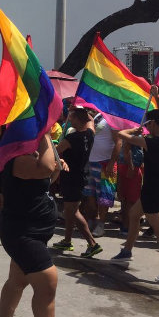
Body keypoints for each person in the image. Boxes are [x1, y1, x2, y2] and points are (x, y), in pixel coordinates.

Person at [0, 133, 66, 317]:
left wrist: (56, 167)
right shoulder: (16, 159)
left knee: (17, 280)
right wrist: (45, 134)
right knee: (47, 282)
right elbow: (44, 169)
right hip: (22, 232)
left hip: (36, 230)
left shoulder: (29, 157)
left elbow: (45, 179)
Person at [112, 86, 159, 285]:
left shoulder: (150, 142)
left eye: (147, 124)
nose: (146, 127)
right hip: (158, 189)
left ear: (152, 123)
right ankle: (126, 251)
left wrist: (133, 130)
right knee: (134, 216)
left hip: (152, 192)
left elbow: (120, 134)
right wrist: (156, 96)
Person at [53, 107, 102, 258]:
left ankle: (92, 244)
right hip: (81, 175)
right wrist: (79, 107)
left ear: (77, 120)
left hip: (72, 177)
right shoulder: (90, 134)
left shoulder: (71, 139)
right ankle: (67, 241)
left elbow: (55, 152)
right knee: (71, 209)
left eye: (72, 117)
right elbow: (91, 121)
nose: (70, 119)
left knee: (72, 211)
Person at [84, 114, 120, 237]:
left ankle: (101, 224)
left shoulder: (113, 118)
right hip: (91, 161)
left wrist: (111, 162)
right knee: (90, 194)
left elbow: (118, 142)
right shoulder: (98, 116)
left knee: (104, 197)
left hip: (105, 163)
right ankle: (91, 221)